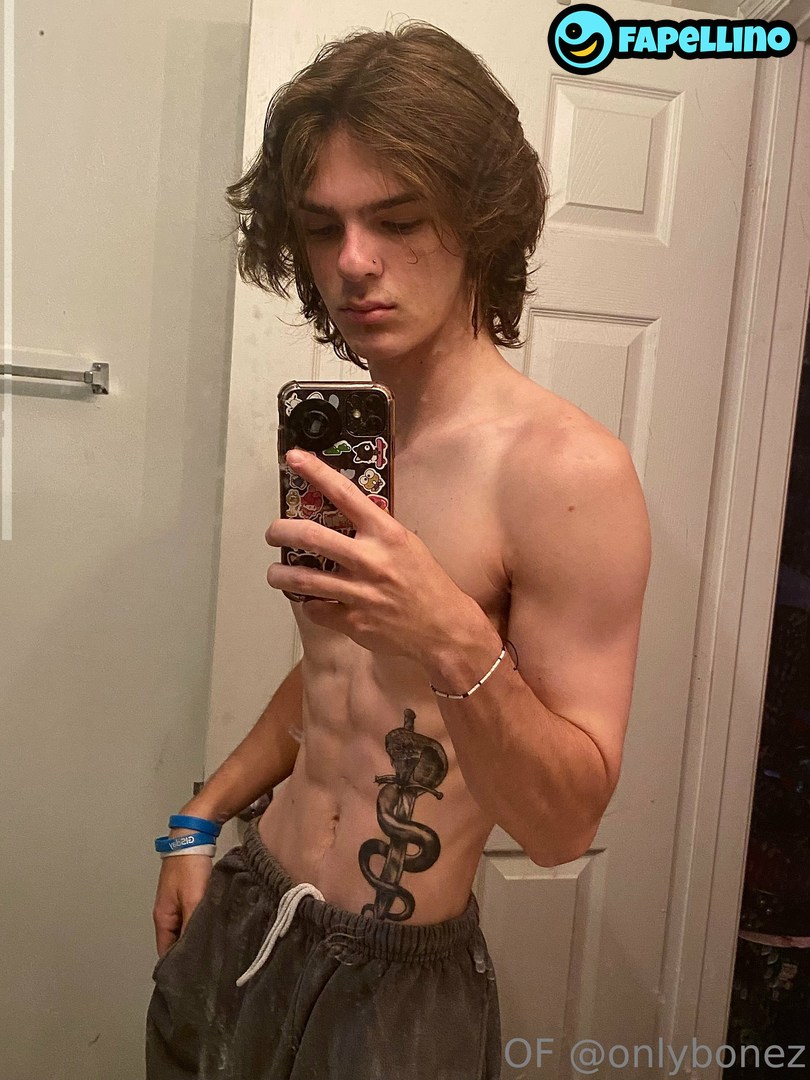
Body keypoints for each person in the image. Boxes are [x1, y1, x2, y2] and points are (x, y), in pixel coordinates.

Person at [145, 19, 652, 1080]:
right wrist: (200, 817)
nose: (353, 261)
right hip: (245, 905)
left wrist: (450, 632)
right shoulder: (356, 444)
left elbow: (564, 825)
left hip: (392, 989)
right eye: (320, 227)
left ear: (481, 220)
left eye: (398, 219)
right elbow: (335, 671)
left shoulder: (566, 474)